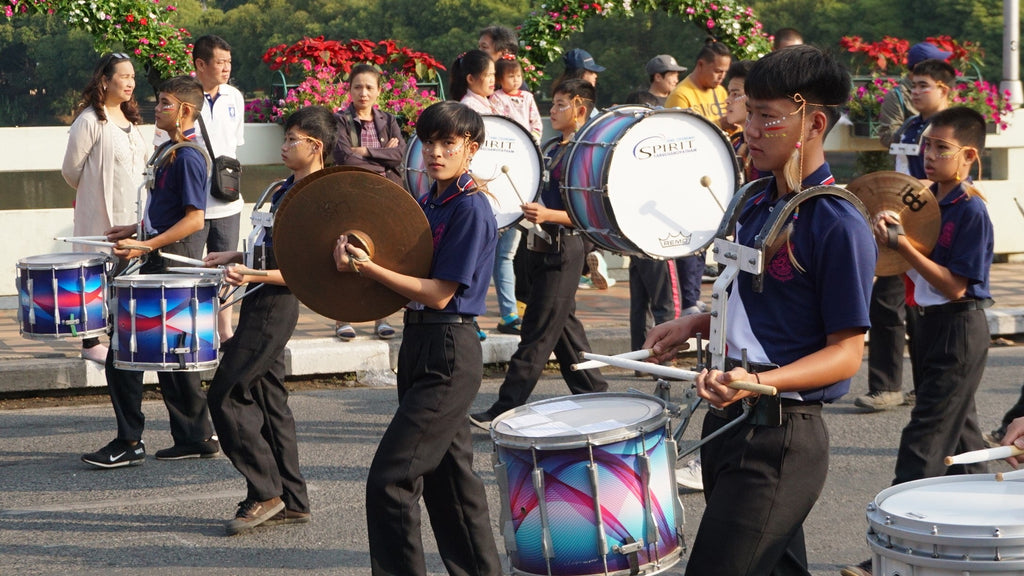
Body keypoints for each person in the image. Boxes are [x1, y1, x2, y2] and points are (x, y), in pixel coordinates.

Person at [645, 45, 875, 575]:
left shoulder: (836, 223)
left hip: (780, 438)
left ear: (813, 123)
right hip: (728, 424)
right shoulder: (754, 201)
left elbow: (844, 356)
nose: (749, 128)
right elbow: (757, 299)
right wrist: (697, 322)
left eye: (768, 117)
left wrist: (757, 380)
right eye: (748, 112)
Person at [333, 101, 502, 576]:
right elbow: (396, 271)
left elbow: (440, 294)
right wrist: (355, 253)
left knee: (391, 480)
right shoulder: (428, 201)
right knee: (452, 484)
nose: (435, 152)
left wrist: (369, 267)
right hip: (419, 345)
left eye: (448, 143)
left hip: (448, 350)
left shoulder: (470, 208)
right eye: (428, 142)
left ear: (471, 149)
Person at [844, 107, 993, 576]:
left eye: (942, 148)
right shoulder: (927, 201)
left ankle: (886, 556)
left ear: (968, 155)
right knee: (964, 445)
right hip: (927, 326)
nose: (929, 155)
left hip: (959, 329)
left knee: (922, 444)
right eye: (927, 145)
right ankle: (998, 531)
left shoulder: (971, 209)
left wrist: (903, 244)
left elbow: (955, 286)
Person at [203, 106, 336, 535]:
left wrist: (255, 274)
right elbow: (269, 244)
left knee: (225, 393)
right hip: (260, 295)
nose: (283, 146)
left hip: (275, 303)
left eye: (291, 139)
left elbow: (309, 270)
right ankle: (294, 500)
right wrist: (236, 257)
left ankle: (265, 491)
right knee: (269, 401)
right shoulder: (284, 189)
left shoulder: (318, 196)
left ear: (314, 147)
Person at [81, 76, 220, 468]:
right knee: (172, 355)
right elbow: (164, 214)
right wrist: (135, 230)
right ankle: (196, 436)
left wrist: (145, 245)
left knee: (124, 351)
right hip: (162, 261)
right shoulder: (170, 150)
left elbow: (194, 220)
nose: (156, 108)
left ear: (185, 111)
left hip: (171, 266)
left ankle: (129, 441)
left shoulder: (189, 157)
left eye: (164, 103)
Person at [470, 79, 609, 429]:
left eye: (561, 104)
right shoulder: (549, 146)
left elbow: (592, 212)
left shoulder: (586, 152)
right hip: (539, 246)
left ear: (581, 107)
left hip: (564, 248)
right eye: (554, 102)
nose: (553, 110)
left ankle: (504, 409)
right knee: (566, 335)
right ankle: (600, 398)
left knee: (535, 334)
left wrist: (549, 216)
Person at [854, 58, 956, 412]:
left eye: (923, 85)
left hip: (936, 228)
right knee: (885, 303)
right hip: (901, 228)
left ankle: (928, 384)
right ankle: (886, 387)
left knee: (927, 308)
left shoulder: (954, 128)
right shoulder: (911, 125)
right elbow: (900, 175)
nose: (914, 91)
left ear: (944, 89)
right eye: (913, 85)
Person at [61, 53, 148, 364]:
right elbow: (71, 170)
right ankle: (90, 342)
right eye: (123, 76)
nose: (130, 82)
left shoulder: (130, 120)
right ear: (105, 81)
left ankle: (121, 335)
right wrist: (93, 194)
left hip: (133, 214)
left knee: (125, 278)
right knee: (94, 275)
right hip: (101, 213)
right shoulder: (89, 121)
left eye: (133, 77)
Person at [331, 63, 407, 341]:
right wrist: (380, 158)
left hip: (386, 196)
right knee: (346, 250)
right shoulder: (339, 121)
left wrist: (363, 151)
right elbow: (342, 157)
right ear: (349, 90)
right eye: (357, 87)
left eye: (369, 87)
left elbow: (399, 155)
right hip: (352, 194)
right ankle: (342, 318)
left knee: (381, 253)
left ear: (378, 92)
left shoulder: (389, 120)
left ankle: (381, 318)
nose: (363, 93)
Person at [180, 35, 245, 345]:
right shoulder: (184, 99)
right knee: (190, 266)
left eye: (229, 62)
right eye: (220, 62)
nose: (226, 68)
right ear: (200, 64)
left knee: (227, 269)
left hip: (228, 201)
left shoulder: (234, 97)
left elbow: (235, 144)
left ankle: (224, 330)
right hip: (193, 204)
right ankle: (193, 329)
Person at [621, 90, 675, 362]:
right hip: (657, 235)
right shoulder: (652, 150)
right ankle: (665, 357)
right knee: (664, 302)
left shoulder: (624, 150)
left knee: (640, 303)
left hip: (634, 236)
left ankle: (640, 361)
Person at [877, 42, 953, 149]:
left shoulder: (940, 88)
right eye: (935, 65)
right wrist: (920, 134)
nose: (942, 68)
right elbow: (887, 136)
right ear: (918, 67)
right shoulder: (896, 96)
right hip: (909, 161)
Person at [451, 49, 497, 116]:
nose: (492, 80)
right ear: (470, 79)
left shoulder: (487, 100)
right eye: (488, 75)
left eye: (493, 74)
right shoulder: (469, 107)